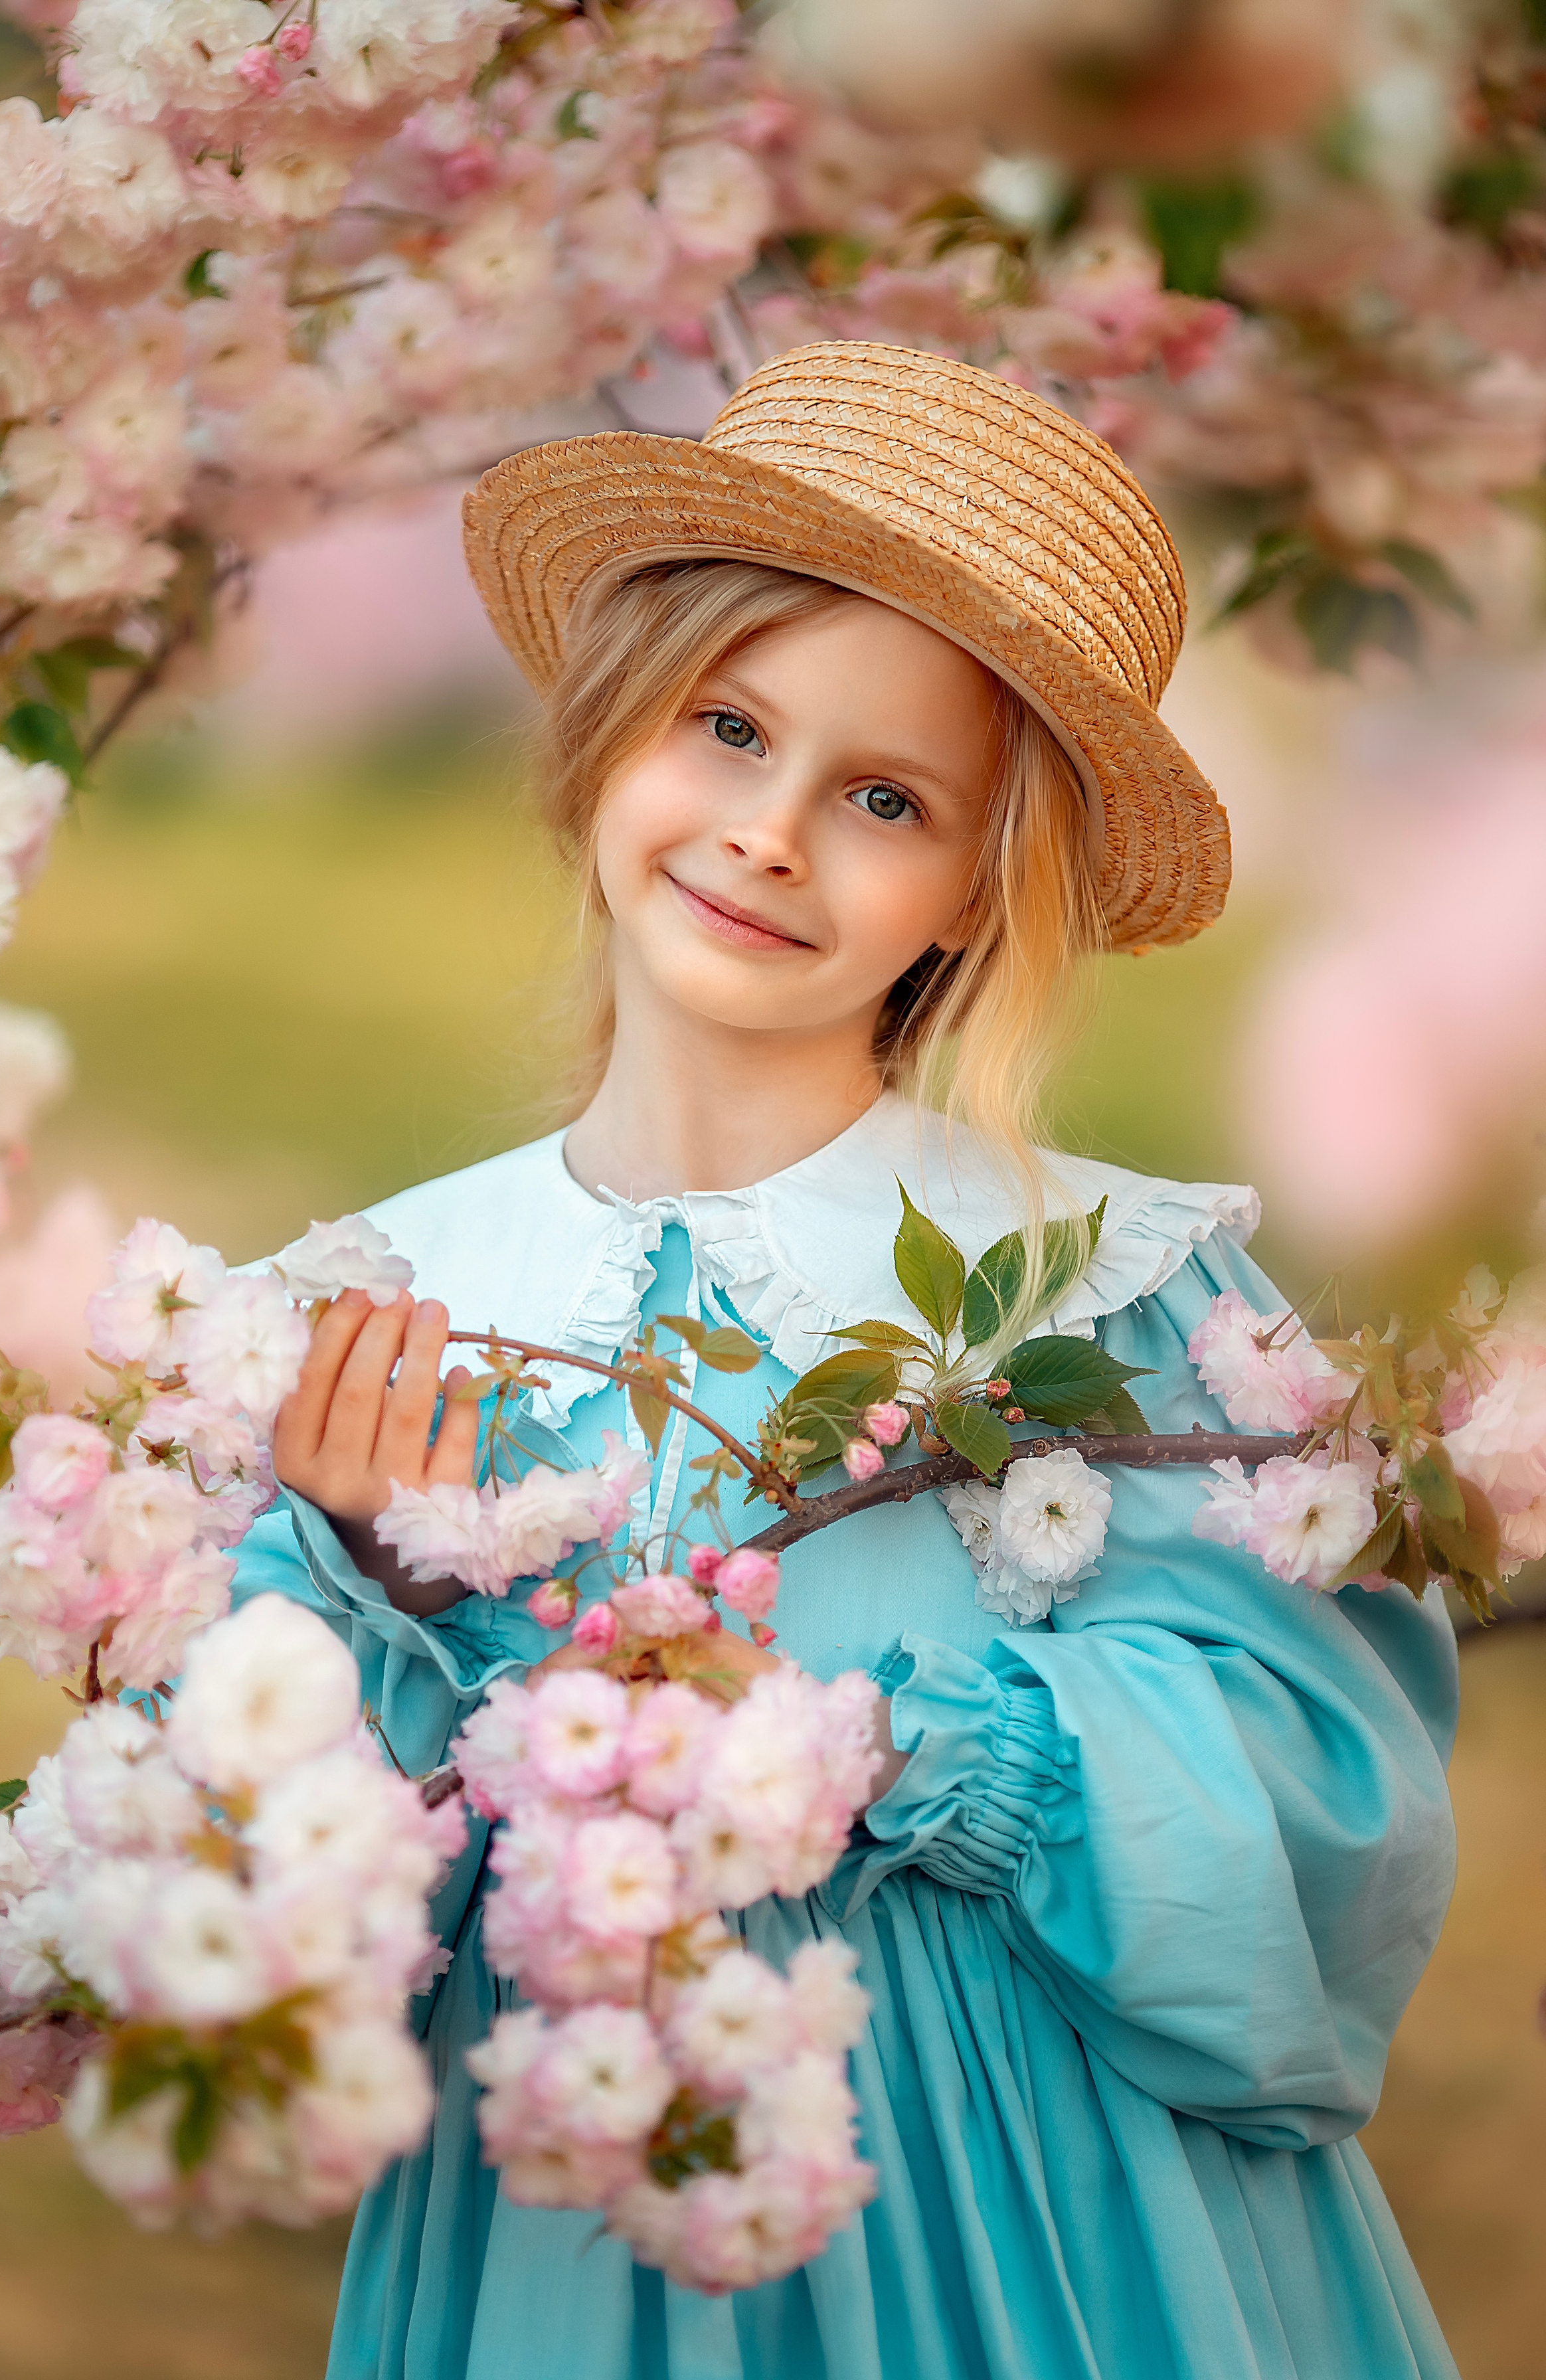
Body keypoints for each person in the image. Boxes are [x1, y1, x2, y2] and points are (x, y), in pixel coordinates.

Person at [232, 343, 1460, 2380]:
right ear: (615, 723)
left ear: (982, 890)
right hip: (570, 2210)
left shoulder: (1105, 1296)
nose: (771, 833)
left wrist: (931, 1755)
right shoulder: (387, 1311)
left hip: (1035, 2211)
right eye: (728, 727)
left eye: (886, 798)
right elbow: (273, 1922)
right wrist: (368, 1589)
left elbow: (1324, 1809)